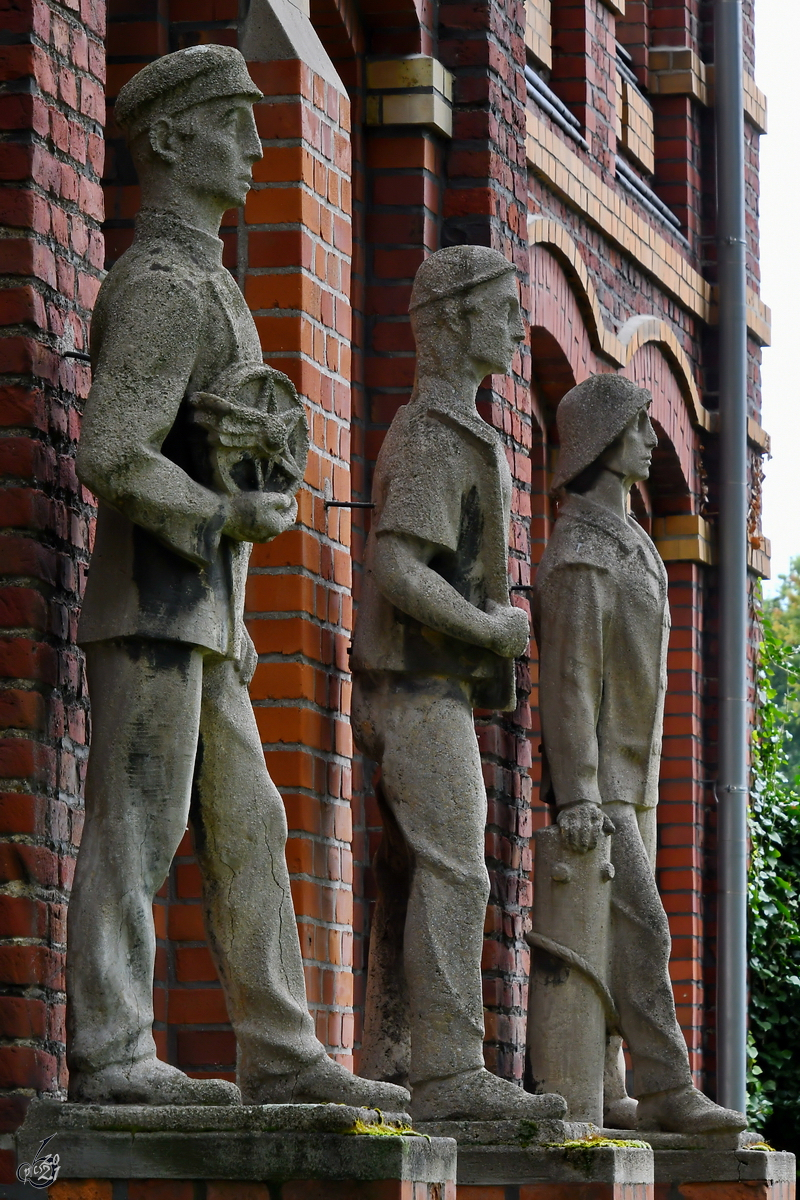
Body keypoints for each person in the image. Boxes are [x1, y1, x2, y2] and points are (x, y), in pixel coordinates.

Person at [66, 44, 408, 1112]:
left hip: (203, 616)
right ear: (170, 140)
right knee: (140, 822)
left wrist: (240, 585)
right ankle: (113, 1051)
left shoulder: (210, 281)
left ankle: (280, 1047)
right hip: (154, 612)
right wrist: (222, 515)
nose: (258, 145)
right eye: (234, 122)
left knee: (250, 820)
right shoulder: (165, 286)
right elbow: (110, 451)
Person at [350, 245, 567, 1122]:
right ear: (453, 319)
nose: (518, 325)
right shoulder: (438, 433)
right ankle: (448, 1071)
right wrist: (488, 626)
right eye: (503, 308)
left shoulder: (454, 427)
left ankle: (396, 1056)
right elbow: (398, 566)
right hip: (414, 685)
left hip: (425, 684)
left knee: (412, 871)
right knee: (457, 867)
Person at [533, 374, 746, 1133]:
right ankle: (666, 1087)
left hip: (640, 778)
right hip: (604, 788)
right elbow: (568, 680)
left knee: (621, 931)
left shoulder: (632, 543)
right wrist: (581, 791)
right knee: (648, 929)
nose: (653, 442)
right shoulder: (582, 553)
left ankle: (611, 1080)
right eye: (639, 428)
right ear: (603, 440)